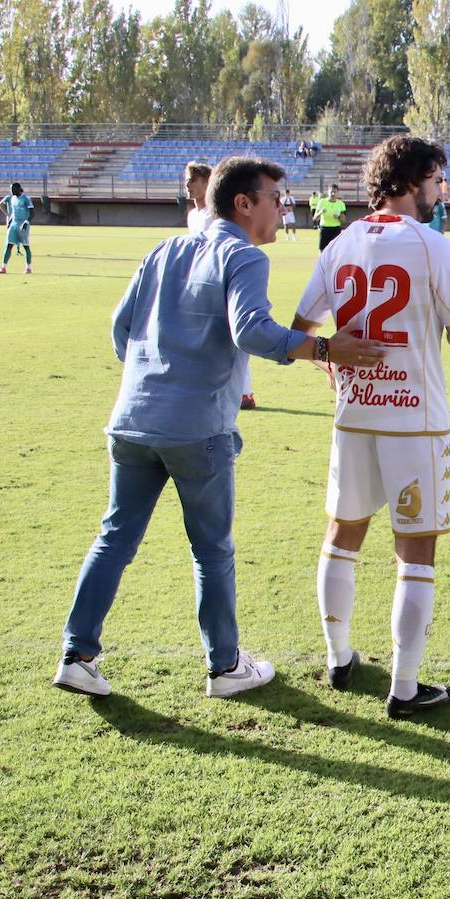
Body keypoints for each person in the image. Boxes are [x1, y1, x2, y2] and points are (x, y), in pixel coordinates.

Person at [52, 156, 384, 700]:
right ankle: (225, 666)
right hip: (197, 428)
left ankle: (77, 653)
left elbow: (121, 328)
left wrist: (152, 377)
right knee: (212, 550)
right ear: (242, 203)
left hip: (133, 419)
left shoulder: (164, 249)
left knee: (114, 539)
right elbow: (250, 330)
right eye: (276, 198)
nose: (284, 209)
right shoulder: (243, 256)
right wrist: (325, 347)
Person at [293, 136, 450, 719]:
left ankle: (339, 657)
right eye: (437, 179)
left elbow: (302, 327)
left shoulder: (340, 242)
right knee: (415, 550)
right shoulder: (432, 246)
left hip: (354, 414)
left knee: (343, 534)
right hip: (415, 419)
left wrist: (331, 359)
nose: (442, 191)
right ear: (409, 180)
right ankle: (403, 687)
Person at [0, 181, 34, 275]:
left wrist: (26, 222)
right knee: (9, 245)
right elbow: (13, 212)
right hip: (14, 224)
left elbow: (32, 212)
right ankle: (3, 267)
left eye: (13, 189)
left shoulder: (26, 199)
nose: (11, 191)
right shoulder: (12, 199)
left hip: (23, 225)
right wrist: (9, 222)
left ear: (18, 189)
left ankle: (28, 268)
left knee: (26, 247)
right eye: (10, 189)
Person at [314, 184, 347, 252]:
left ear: (338, 193)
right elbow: (315, 218)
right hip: (324, 228)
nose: (333, 193)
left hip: (336, 229)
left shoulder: (341, 204)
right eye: (331, 191)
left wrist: (338, 216)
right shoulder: (322, 202)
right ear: (328, 192)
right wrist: (320, 212)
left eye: (335, 192)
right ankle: (322, 262)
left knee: (335, 250)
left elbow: (343, 220)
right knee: (322, 250)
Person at [184, 162, 214, 235]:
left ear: (208, 183)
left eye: (193, 180)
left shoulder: (214, 216)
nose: (187, 184)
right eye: (187, 180)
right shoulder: (192, 215)